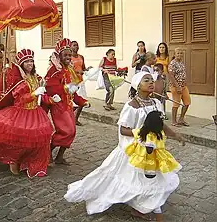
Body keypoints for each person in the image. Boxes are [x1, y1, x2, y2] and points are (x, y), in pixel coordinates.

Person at [64, 72, 185, 222]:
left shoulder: (156, 103)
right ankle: (139, 207)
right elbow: (123, 129)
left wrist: (175, 135)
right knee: (135, 180)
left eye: (152, 80)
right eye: (146, 80)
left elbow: (160, 124)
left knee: (152, 179)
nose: (151, 82)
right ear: (137, 85)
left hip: (151, 149)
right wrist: (141, 133)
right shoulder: (131, 106)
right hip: (134, 150)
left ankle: (145, 205)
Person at [0, 49, 61, 177]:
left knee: (40, 137)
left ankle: (31, 160)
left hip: (35, 112)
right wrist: (34, 93)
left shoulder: (35, 77)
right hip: (21, 113)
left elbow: (40, 96)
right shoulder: (20, 81)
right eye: (27, 61)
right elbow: (20, 99)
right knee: (18, 140)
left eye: (31, 61)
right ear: (21, 64)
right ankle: (13, 161)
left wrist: (50, 99)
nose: (30, 64)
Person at [45, 38, 89, 165]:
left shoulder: (69, 70)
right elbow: (50, 88)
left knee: (72, 132)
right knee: (66, 131)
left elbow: (73, 91)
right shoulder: (54, 70)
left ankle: (59, 157)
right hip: (58, 105)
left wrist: (82, 101)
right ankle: (47, 152)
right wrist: (64, 88)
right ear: (59, 55)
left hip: (68, 105)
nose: (68, 57)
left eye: (70, 55)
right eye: (65, 54)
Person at [125, 110, 182, 179]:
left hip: (143, 157)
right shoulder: (157, 135)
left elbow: (127, 132)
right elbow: (149, 150)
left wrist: (122, 127)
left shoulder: (141, 132)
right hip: (153, 157)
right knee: (152, 171)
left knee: (146, 172)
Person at [168, 48, 191, 127]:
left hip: (183, 86)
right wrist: (177, 86)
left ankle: (181, 119)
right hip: (175, 87)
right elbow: (171, 76)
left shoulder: (181, 63)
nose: (179, 55)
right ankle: (174, 121)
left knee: (187, 103)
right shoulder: (172, 63)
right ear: (174, 54)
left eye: (181, 53)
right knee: (176, 104)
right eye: (178, 53)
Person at [71, 41, 88, 126]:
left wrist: (88, 70)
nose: (76, 47)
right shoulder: (69, 57)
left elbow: (83, 68)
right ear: (70, 47)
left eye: (77, 45)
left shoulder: (81, 57)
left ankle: (75, 119)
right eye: (74, 45)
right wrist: (77, 71)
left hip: (81, 81)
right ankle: (67, 118)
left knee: (82, 102)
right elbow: (68, 69)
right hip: (72, 82)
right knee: (74, 103)